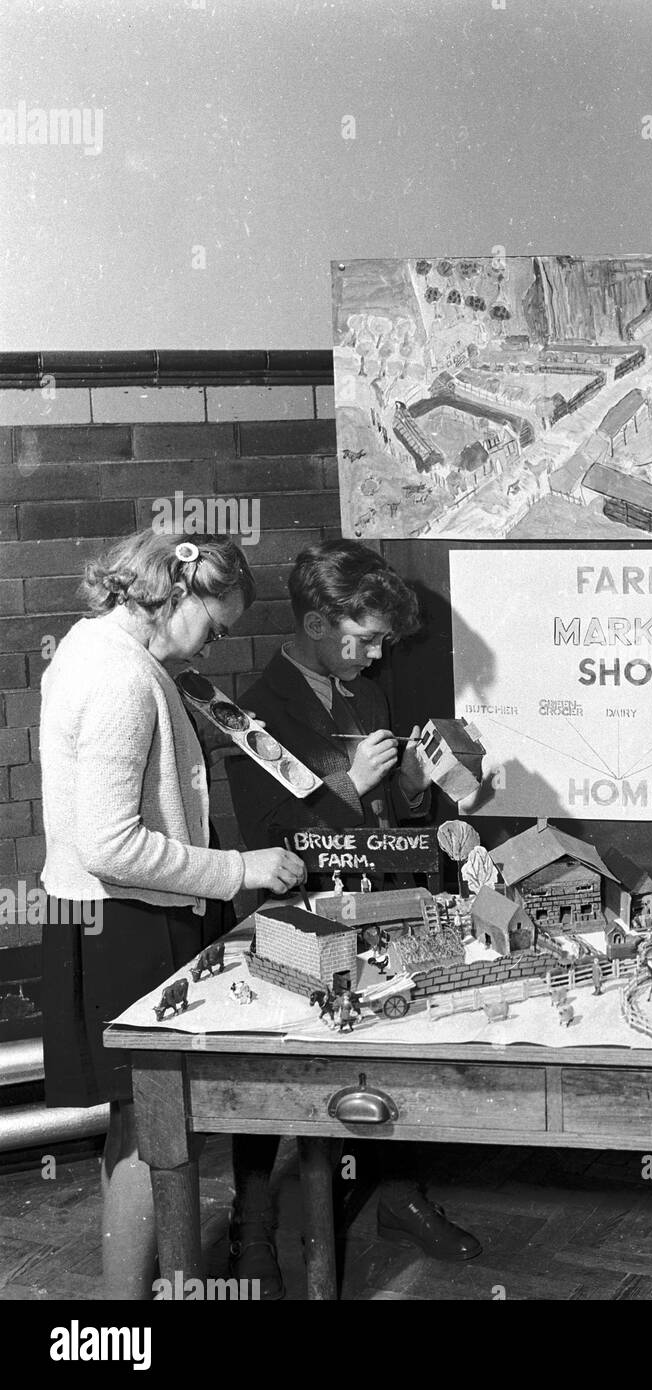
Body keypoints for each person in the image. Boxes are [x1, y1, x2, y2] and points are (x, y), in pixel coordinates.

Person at [39, 530, 305, 1300]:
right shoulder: (123, 677)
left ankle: (131, 1299)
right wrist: (239, 870)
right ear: (176, 594)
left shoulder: (103, 649)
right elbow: (113, 844)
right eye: (214, 627)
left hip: (115, 916)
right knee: (149, 1134)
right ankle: (122, 1318)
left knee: (137, 1129)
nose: (212, 648)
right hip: (128, 920)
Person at [224, 540, 480, 1291]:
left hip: (372, 906)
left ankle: (397, 1192)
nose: (373, 655)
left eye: (380, 643)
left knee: (395, 1048)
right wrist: (343, 786)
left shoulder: (362, 690)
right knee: (271, 1073)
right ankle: (254, 1232)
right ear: (313, 622)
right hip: (289, 918)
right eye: (363, 639)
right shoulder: (255, 711)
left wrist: (405, 783)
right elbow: (266, 836)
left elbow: (391, 818)